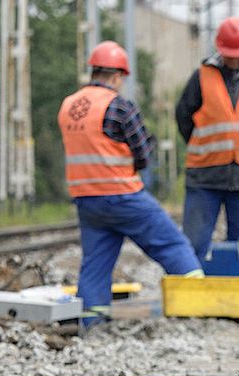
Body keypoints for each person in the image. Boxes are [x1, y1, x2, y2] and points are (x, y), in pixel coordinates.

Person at [58, 41, 203, 328]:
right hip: (123, 195)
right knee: (173, 244)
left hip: (87, 199)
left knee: (95, 265)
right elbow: (142, 154)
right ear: (117, 76)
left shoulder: (69, 105)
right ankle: (197, 308)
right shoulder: (120, 106)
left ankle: (92, 323)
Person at [176, 17, 239, 261]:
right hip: (205, 176)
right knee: (194, 246)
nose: (234, 59)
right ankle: (192, 297)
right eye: (230, 54)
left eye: (238, 54)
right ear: (220, 50)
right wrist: (206, 148)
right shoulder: (201, 77)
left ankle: (236, 298)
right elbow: (183, 117)